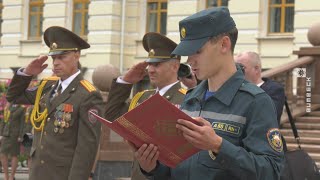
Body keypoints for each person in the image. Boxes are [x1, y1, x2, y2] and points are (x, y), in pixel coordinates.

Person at [135, 7, 284, 180]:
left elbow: (271, 172)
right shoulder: (190, 99)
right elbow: (177, 169)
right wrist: (152, 167)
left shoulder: (256, 101)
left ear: (224, 44)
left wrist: (218, 146)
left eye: (197, 51)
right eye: (188, 54)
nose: (190, 61)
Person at [6, 26, 104, 180]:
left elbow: (86, 148)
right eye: (54, 58)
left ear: (76, 55)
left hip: (62, 175)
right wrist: (27, 73)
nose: (56, 63)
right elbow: (13, 97)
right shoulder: (47, 86)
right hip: (38, 172)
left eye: (62, 57)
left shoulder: (88, 95)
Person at [105, 32, 195, 180]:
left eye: (157, 64)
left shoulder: (188, 98)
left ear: (175, 66)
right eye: (149, 64)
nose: (150, 70)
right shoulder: (142, 97)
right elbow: (112, 115)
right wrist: (126, 81)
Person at [234, 51, 285, 124]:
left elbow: (268, 118)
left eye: (242, 67)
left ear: (256, 69)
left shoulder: (273, 89)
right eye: (236, 67)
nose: (237, 71)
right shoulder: (233, 88)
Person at [0, 102, 25, 180]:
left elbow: (22, 123)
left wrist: (21, 135)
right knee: (2, 154)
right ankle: (6, 176)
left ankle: (11, 176)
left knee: (14, 154)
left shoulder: (21, 108)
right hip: (6, 133)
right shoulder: (8, 106)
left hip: (15, 135)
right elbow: (4, 121)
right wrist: (1, 133)